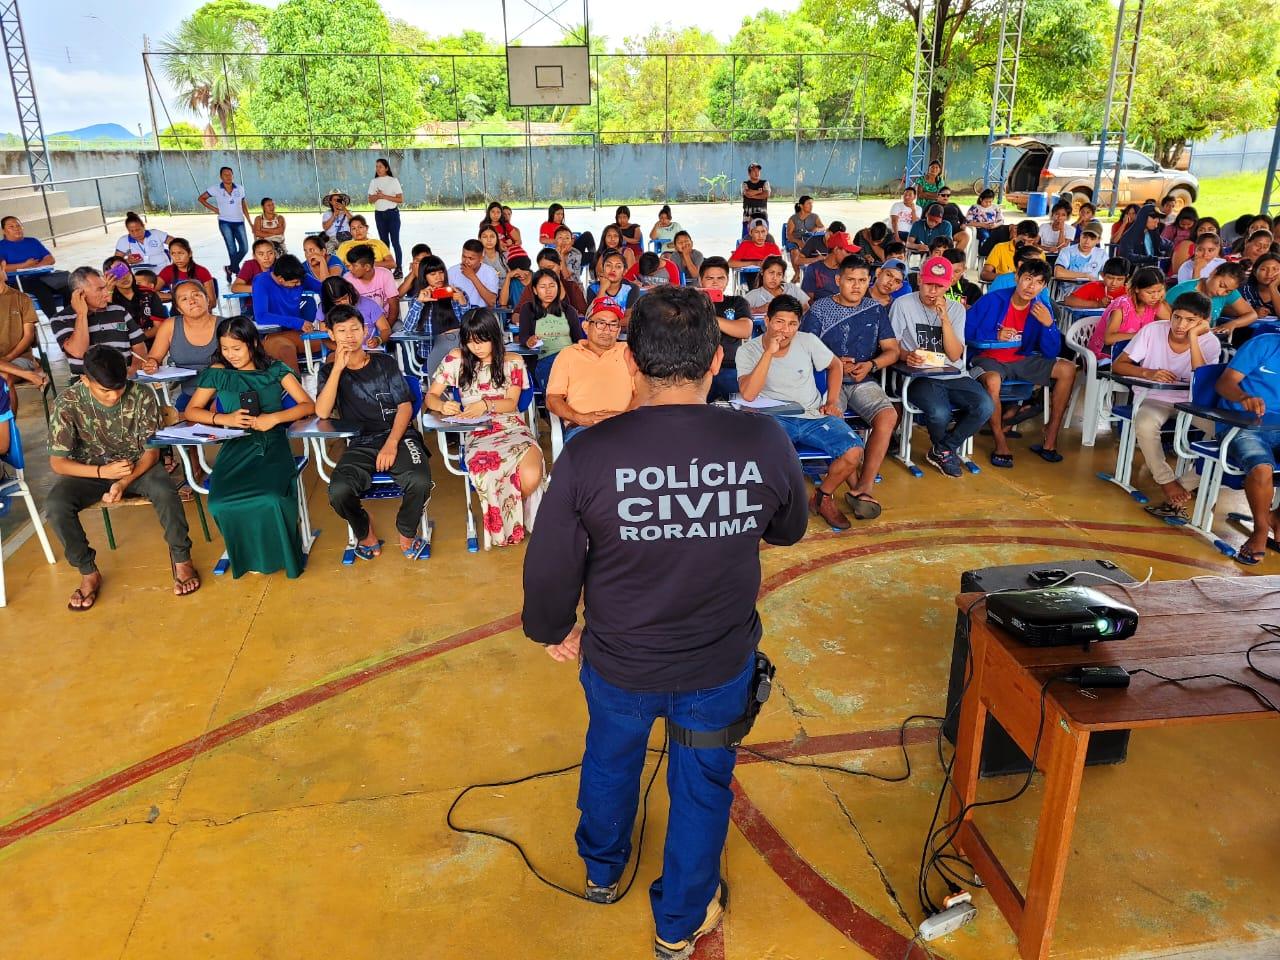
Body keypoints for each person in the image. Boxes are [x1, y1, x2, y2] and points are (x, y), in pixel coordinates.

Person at [522, 284, 807, 960]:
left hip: (619, 659)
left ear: (631, 364)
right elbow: (790, 527)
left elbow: (549, 563)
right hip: (717, 663)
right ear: (716, 361)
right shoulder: (760, 438)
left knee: (611, 758)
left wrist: (553, 626)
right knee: (701, 786)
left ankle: (601, 868)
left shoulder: (591, 453)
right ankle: (677, 925)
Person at [45, 345, 199, 611]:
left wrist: (123, 481)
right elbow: (58, 462)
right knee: (56, 506)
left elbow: (151, 453)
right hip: (90, 472)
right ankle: (87, 571)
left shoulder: (142, 394)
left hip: (139, 468)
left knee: (165, 491)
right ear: (85, 380)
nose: (115, 396)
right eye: (105, 390)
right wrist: (103, 473)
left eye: (119, 387)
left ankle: (182, 559)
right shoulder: (68, 402)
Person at [184, 316, 315, 578]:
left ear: (253, 343)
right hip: (235, 445)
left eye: (237, 348)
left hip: (272, 443)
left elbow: (307, 405)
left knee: (271, 498)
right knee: (219, 503)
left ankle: (282, 552)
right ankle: (245, 553)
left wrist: (274, 418)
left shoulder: (275, 370)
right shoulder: (218, 373)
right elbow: (192, 411)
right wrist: (225, 419)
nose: (230, 355)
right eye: (225, 349)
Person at [737, 294, 871, 529]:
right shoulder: (747, 350)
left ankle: (822, 497)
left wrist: (832, 401)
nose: (786, 330)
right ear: (766, 321)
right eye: (779, 322)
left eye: (792, 324)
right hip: (774, 418)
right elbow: (749, 394)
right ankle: (778, 506)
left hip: (813, 414)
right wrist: (768, 352)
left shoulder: (807, 340)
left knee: (854, 452)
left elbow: (835, 365)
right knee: (779, 462)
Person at [315, 304, 431, 559]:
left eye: (355, 328)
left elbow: (404, 407)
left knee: (420, 481)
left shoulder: (384, 363)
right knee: (339, 491)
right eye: (341, 330)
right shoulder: (328, 372)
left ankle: (407, 530)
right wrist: (337, 368)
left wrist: (391, 443)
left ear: (365, 331)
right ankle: (364, 530)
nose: (349, 335)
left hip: (398, 435)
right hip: (360, 443)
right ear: (331, 335)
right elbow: (322, 412)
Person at [425, 308, 544, 546]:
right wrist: (442, 405)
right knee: (490, 474)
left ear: (494, 336)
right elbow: (430, 397)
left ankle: (512, 516)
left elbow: (511, 403)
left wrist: (486, 404)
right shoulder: (456, 359)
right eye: (470, 341)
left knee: (530, 478)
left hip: (511, 426)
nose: (476, 347)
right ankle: (512, 522)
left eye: (481, 340)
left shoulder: (513, 361)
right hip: (476, 430)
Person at [1110, 291, 1219, 523]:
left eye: (1190, 320)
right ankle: (1166, 481)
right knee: (1145, 424)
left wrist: (1193, 340)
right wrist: (1148, 372)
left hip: (1193, 403)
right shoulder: (1153, 330)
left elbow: (1201, 381)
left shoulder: (1210, 342)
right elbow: (1119, 365)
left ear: (1202, 322)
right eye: (1177, 317)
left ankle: (1183, 485)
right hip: (1156, 398)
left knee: (1224, 435)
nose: (1180, 325)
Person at [799, 257, 899, 507]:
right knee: (835, 418)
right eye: (851, 280)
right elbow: (803, 350)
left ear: (869, 281)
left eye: (863, 280)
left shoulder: (874, 309)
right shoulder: (820, 309)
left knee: (888, 416)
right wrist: (832, 362)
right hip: (825, 380)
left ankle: (865, 484)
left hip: (862, 378)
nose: (856, 286)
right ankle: (856, 490)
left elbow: (892, 350)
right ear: (838, 280)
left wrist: (871, 365)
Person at [891, 256, 995, 476]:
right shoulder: (902, 304)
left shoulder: (956, 310)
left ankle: (942, 449)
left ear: (948, 285)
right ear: (919, 279)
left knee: (985, 405)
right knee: (940, 413)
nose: (933, 291)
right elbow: (891, 346)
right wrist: (906, 355)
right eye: (929, 284)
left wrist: (945, 319)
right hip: (918, 376)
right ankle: (945, 451)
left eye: (939, 286)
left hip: (954, 373)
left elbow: (955, 354)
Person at [967, 259, 1076, 467]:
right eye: (1027, 279)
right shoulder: (992, 300)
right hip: (989, 358)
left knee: (1067, 369)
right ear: (1017, 277)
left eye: (1038, 282)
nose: (1031, 286)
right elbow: (964, 330)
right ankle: (1000, 441)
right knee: (992, 382)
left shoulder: (1041, 308)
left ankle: (1050, 439)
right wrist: (994, 334)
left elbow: (1051, 352)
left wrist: (1049, 325)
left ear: (1044, 286)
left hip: (1022, 358)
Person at [544, 296, 632, 442]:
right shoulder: (568, 354)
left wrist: (625, 417)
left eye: (613, 324)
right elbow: (553, 399)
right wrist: (579, 418)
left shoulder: (629, 353)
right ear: (585, 327)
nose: (607, 330)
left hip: (626, 426)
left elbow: (644, 394)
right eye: (600, 323)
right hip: (582, 428)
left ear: (618, 331)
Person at [52, 267, 154, 379]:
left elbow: (139, 347)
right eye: (100, 289)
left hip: (124, 378)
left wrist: (131, 373)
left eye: (105, 287)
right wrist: (81, 314)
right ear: (79, 293)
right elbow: (79, 352)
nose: (107, 293)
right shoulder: (61, 319)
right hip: (88, 383)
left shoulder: (119, 311)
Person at [146, 279, 219, 409]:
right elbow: (154, 358)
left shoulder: (227, 326)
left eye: (196, 295)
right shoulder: (170, 326)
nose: (192, 301)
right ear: (178, 308)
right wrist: (151, 364)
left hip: (224, 392)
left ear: (207, 299)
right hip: (189, 394)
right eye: (184, 299)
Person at [250, 254, 322, 371]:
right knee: (286, 350)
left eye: (300, 282)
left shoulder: (300, 277)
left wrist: (326, 313)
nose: (299, 285)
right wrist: (297, 322)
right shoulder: (261, 281)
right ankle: (294, 388)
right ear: (280, 280)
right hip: (271, 335)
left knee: (333, 341)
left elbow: (324, 288)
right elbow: (261, 317)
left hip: (296, 333)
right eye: (294, 283)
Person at [698, 257, 752, 402]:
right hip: (699, 369)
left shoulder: (737, 302)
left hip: (731, 366)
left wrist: (711, 319)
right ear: (700, 280)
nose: (715, 282)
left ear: (727, 280)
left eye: (720, 278)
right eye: (709, 278)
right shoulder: (692, 303)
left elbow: (745, 330)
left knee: (742, 407)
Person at [518, 268, 583, 389]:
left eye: (552, 286)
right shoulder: (528, 309)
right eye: (543, 287)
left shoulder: (569, 311)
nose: (548, 291)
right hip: (544, 359)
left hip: (569, 358)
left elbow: (578, 340)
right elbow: (523, 336)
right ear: (535, 290)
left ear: (558, 288)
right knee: (557, 379)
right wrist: (529, 341)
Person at [1086, 266, 1167, 360]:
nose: (1156, 296)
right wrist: (1142, 335)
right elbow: (1108, 339)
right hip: (1107, 356)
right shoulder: (1122, 307)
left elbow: (1173, 323)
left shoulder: (1155, 304)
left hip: (1132, 353)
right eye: (1150, 292)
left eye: (1160, 291)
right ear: (1136, 289)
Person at [0, 214, 68, 317]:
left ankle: (70, 318)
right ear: (4, 231)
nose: (16, 229)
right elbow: (3, 268)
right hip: (19, 280)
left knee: (69, 285)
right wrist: (24, 265)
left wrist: (35, 266)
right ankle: (55, 320)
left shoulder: (32, 241)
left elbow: (50, 259)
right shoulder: (2, 246)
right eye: (11, 227)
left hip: (44, 277)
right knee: (41, 288)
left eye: (18, 225)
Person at [1164, 263, 1257, 333]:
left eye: (1228, 291)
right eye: (1221, 285)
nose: (1221, 293)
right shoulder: (1183, 290)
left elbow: (1252, 314)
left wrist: (1233, 324)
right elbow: (1161, 314)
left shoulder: (1230, 291)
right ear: (1213, 273)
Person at [0, 261, 44, 410]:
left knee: (4, 379)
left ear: (2, 266)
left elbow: (28, 336)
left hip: (19, 358)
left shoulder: (21, 298)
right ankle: (29, 375)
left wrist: (8, 358)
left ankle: (10, 430)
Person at [198, 166, 251, 282]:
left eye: (230, 174)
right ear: (221, 177)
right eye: (225, 174)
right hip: (225, 222)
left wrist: (249, 221)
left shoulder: (240, 189)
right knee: (232, 249)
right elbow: (201, 198)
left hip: (239, 222)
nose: (228, 176)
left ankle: (229, 268)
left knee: (244, 248)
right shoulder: (215, 189)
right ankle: (238, 273)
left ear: (233, 175)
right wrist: (214, 209)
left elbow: (243, 205)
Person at [103, 255, 167, 340]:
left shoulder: (149, 294)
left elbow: (158, 327)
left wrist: (136, 341)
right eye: (117, 274)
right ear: (108, 278)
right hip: (121, 345)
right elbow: (108, 325)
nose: (124, 277)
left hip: (150, 343)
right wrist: (109, 291)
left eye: (124, 271)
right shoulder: (108, 298)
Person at [321, 275, 389, 350]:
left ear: (350, 292)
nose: (343, 303)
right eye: (337, 302)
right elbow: (324, 338)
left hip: (368, 350)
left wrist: (378, 340)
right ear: (330, 302)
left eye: (345, 298)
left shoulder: (369, 304)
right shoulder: (324, 309)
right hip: (339, 351)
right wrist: (342, 350)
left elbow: (386, 329)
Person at [344, 244, 400, 328]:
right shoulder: (347, 279)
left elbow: (394, 305)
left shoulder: (385, 274)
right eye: (349, 265)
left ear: (367, 267)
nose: (350, 269)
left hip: (387, 319)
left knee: (399, 328)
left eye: (354, 266)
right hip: (361, 324)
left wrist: (386, 329)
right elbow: (347, 309)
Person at [367, 157, 404, 278]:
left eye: (380, 166)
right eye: (376, 166)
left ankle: (398, 268)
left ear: (386, 168)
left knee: (395, 241)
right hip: (379, 215)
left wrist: (384, 196)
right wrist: (377, 197)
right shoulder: (374, 182)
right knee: (383, 243)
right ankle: (386, 267)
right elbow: (370, 200)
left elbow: (400, 199)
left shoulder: (393, 181)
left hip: (392, 214)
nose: (378, 169)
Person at [800, 231, 860, 303]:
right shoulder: (814, 269)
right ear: (836, 249)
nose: (850, 255)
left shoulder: (849, 269)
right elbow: (807, 301)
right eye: (848, 252)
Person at [1052, 223, 1107, 294]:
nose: (1087, 242)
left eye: (1092, 239)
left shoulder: (1102, 254)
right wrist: (1085, 275)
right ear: (1080, 236)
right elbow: (1058, 273)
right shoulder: (1067, 251)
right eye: (1084, 237)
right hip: (1067, 294)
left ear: (1098, 240)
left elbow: (1107, 276)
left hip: (1091, 293)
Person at [586, 250, 640, 323]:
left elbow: (628, 319)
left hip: (623, 331)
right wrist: (602, 289)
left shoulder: (632, 288)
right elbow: (592, 316)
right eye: (608, 265)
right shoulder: (592, 288)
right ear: (603, 268)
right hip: (599, 330)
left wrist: (608, 325)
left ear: (624, 271)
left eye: (618, 266)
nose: (613, 269)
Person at [158, 238, 216, 304]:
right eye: (173, 254)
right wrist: (173, 296)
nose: (177, 258)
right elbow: (150, 292)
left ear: (190, 253)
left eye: (181, 253)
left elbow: (212, 302)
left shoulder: (202, 271)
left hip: (199, 309)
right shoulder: (168, 271)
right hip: (178, 311)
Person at [981, 219, 1039, 285]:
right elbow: (984, 274)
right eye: (1022, 240)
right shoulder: (1000, 248)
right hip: (1004, 288)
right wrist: (1009, 277)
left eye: (1030, 241)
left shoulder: (1038, 254)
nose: (1025, 244)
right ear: (1016, 234)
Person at [745, 255, 809, 314]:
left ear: (783, 276)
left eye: (779, 274)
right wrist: (758, 309)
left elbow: (806, 308)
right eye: (771, 272)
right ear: (762, 272)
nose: (774, 278)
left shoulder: (791, 288)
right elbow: (738, 312)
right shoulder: (754, 295)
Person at [1064, 256, 1132, 309]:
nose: (1114, 283)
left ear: (1127, 278)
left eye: (1119, 279)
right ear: (1102, 275)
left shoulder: (1129, 292)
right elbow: (1069, 300)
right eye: (1110, 278)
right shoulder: (1093, 286)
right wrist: (1097, 304)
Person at [1115, 202, 1168, 268]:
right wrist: (1151, 258)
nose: (1156, 223)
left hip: (1154, 269)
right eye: (1154, 220)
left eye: (1157, 220)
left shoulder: (1152, 233)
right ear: (1144, 218)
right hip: (1137, 271)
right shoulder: (1129, 236)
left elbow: (1166, 244)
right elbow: (1127, 256)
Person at [449, 239, 499, 309]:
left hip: (481, 315)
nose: (466, 261)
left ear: (481, 258)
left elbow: (491, 302)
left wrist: (472, 277)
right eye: (464, 257)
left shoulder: (490, 272)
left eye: (471, 258)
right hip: (458, 314)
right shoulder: (452, 271)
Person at [231, 238, 278, 311]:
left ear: (275, 254)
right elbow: (235, 288)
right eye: (261, 254)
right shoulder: (250, 265)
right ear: (254, 256)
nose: (266, 258)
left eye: (270, 253)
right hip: (253, 308)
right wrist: (261, 288)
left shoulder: (279, 266)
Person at [786, 196, 824, 280]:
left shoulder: (815, 217)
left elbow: (822, 227)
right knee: (794, 251)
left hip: (810, 240)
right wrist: (798, 242)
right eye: (808, 203)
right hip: (795, 241)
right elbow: (789, 235)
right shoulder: (793, 219)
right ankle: (797, 273)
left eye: (812, 204)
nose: (811, 206)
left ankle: (816, 273)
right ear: (801, 206)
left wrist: (817, 228)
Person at [965, 190, 1007, 256]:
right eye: (986, 202)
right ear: (981, 199)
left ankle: (997, 254)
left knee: (1001, 235)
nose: (988, 204)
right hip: (980, 228)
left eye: (990, 202)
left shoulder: (995, 207)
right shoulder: (975, 207)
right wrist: (982, 225)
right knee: (985, 236)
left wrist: (995, 225)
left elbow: (1001, 221)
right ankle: (984, 253)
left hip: (994, 228)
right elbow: (967, 222)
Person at [1241, 253, 1280, 319]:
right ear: (1254, 272)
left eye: (1275, 269)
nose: (1269, 274)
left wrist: (1273, 287)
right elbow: (1224, 308)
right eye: (1263, 269)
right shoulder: (1244, 288)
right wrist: (1250, 312)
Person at [742, 162, 771, 234]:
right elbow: (747, 193)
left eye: (758, 171)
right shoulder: (745, 184)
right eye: (754, 171)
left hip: (762, 217)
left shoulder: (765, 183)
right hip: (748, 218)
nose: (757, 173)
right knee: (746, 240)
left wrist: (753, 195)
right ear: (749, 173)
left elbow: (766, 194)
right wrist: (759, 191)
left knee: (763, 239)